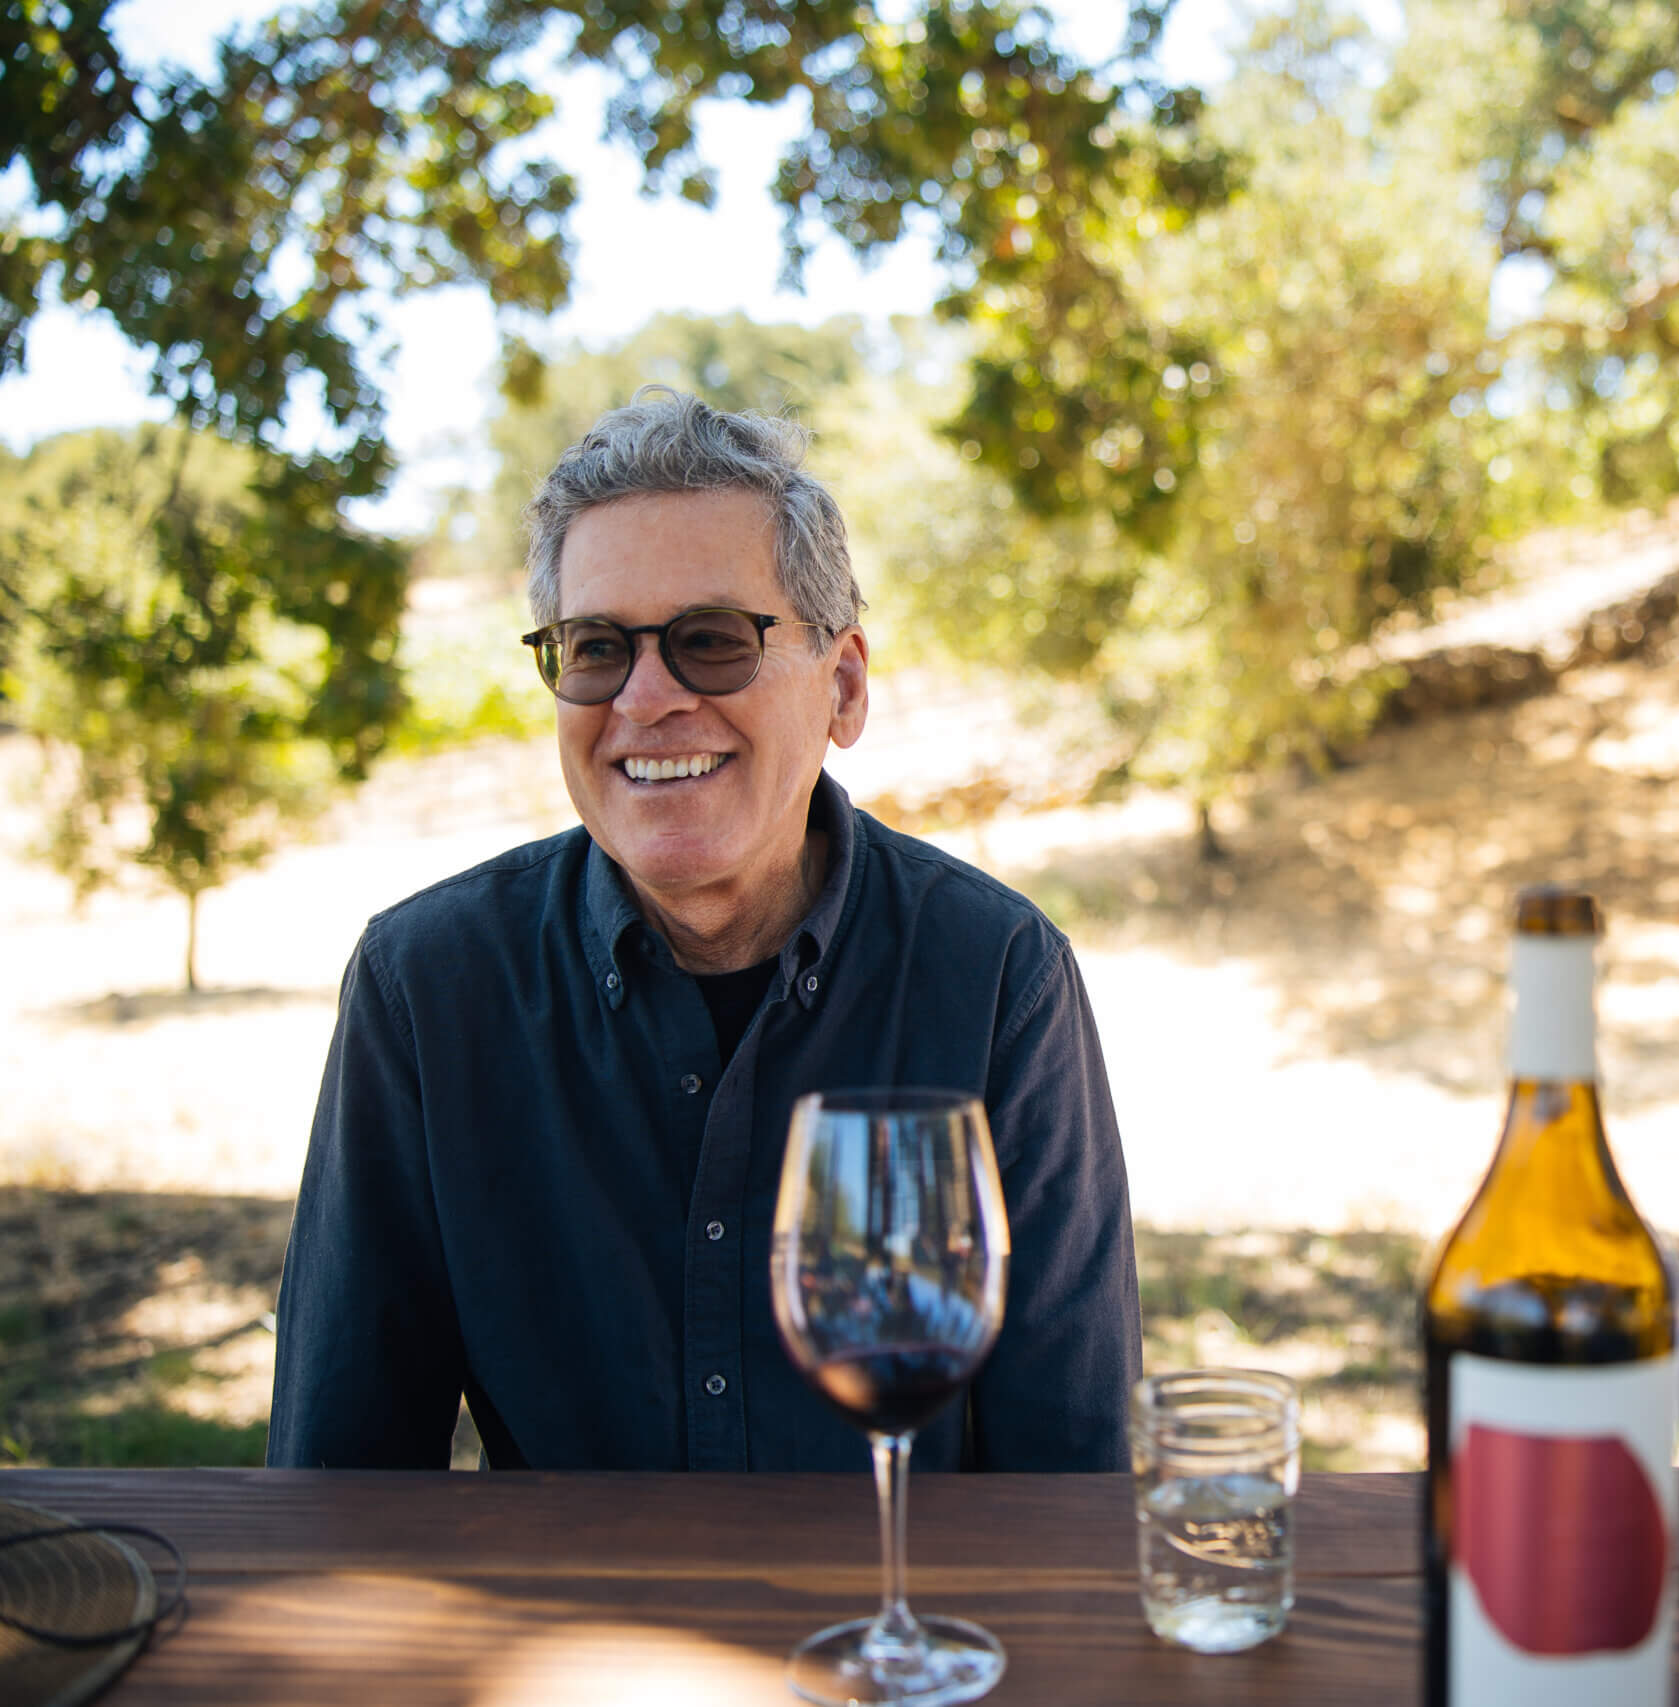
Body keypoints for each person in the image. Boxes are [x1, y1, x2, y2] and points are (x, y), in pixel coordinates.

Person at [269, 389, 1141, 1471]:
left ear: (844, 687)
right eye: (595, 647)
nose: (645, 698)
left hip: (896, 1589)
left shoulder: (1000, 977)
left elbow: (1071, 1477)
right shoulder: (427, 989)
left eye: (712, 641)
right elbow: (340, 1476)